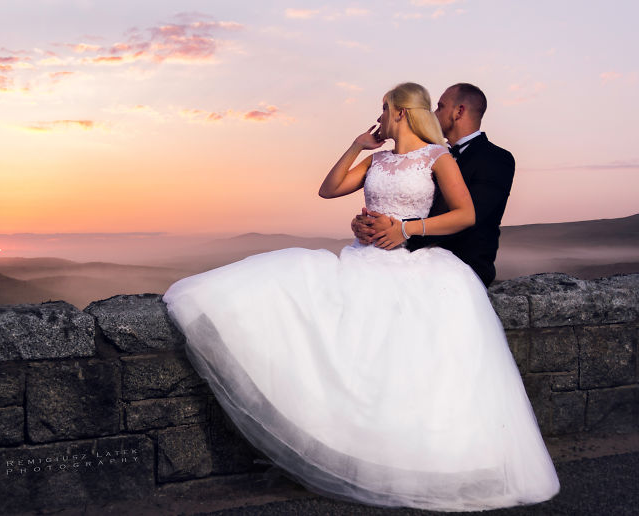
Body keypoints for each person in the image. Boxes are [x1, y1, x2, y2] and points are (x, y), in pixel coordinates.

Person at [162, 82, 559, 512]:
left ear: (401, 112)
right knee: (305, 297)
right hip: (365, 256)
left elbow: (466, 214)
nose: (381, 116)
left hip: (411, 259)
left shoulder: (437, 156)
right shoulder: (377, 158)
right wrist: (355, 148)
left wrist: (403, 230)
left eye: (384, 109)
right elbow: (329, 189)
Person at [351, 83, 515, 286]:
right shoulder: (430, 155)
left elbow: (471, 219)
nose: (432, 114)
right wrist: (370, 226)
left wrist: (400, 229)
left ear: (459, 111)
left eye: (440, 107)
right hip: (413, 255)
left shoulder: (495, 158)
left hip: (460, 265)